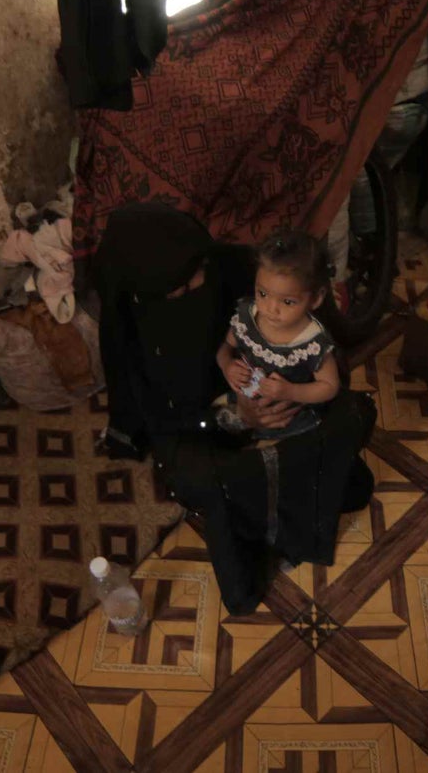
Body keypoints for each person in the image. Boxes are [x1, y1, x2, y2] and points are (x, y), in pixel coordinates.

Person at [92, 204, 375, 614]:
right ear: (145, 292)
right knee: (208, 478)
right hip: (199, 421)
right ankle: (265, 523)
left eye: (200, 270)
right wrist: (233, 417)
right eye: (181, 289)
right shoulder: (131, 328)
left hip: (274, 392)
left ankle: (299, 497)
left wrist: (281, 391)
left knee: (347, 415)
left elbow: (311, 346)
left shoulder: (235, 269)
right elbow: (162, 418)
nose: (200, 282)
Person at [218, 231, 339, 439]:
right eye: (262, 294)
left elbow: (329, 387)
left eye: (288, 301)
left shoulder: (312, 343)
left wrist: (290, 391)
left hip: (288, 422)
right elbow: (224, 350)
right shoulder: (247, 316)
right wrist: (227, 366)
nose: (270, 309)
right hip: (243, 404)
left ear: (316, 299)